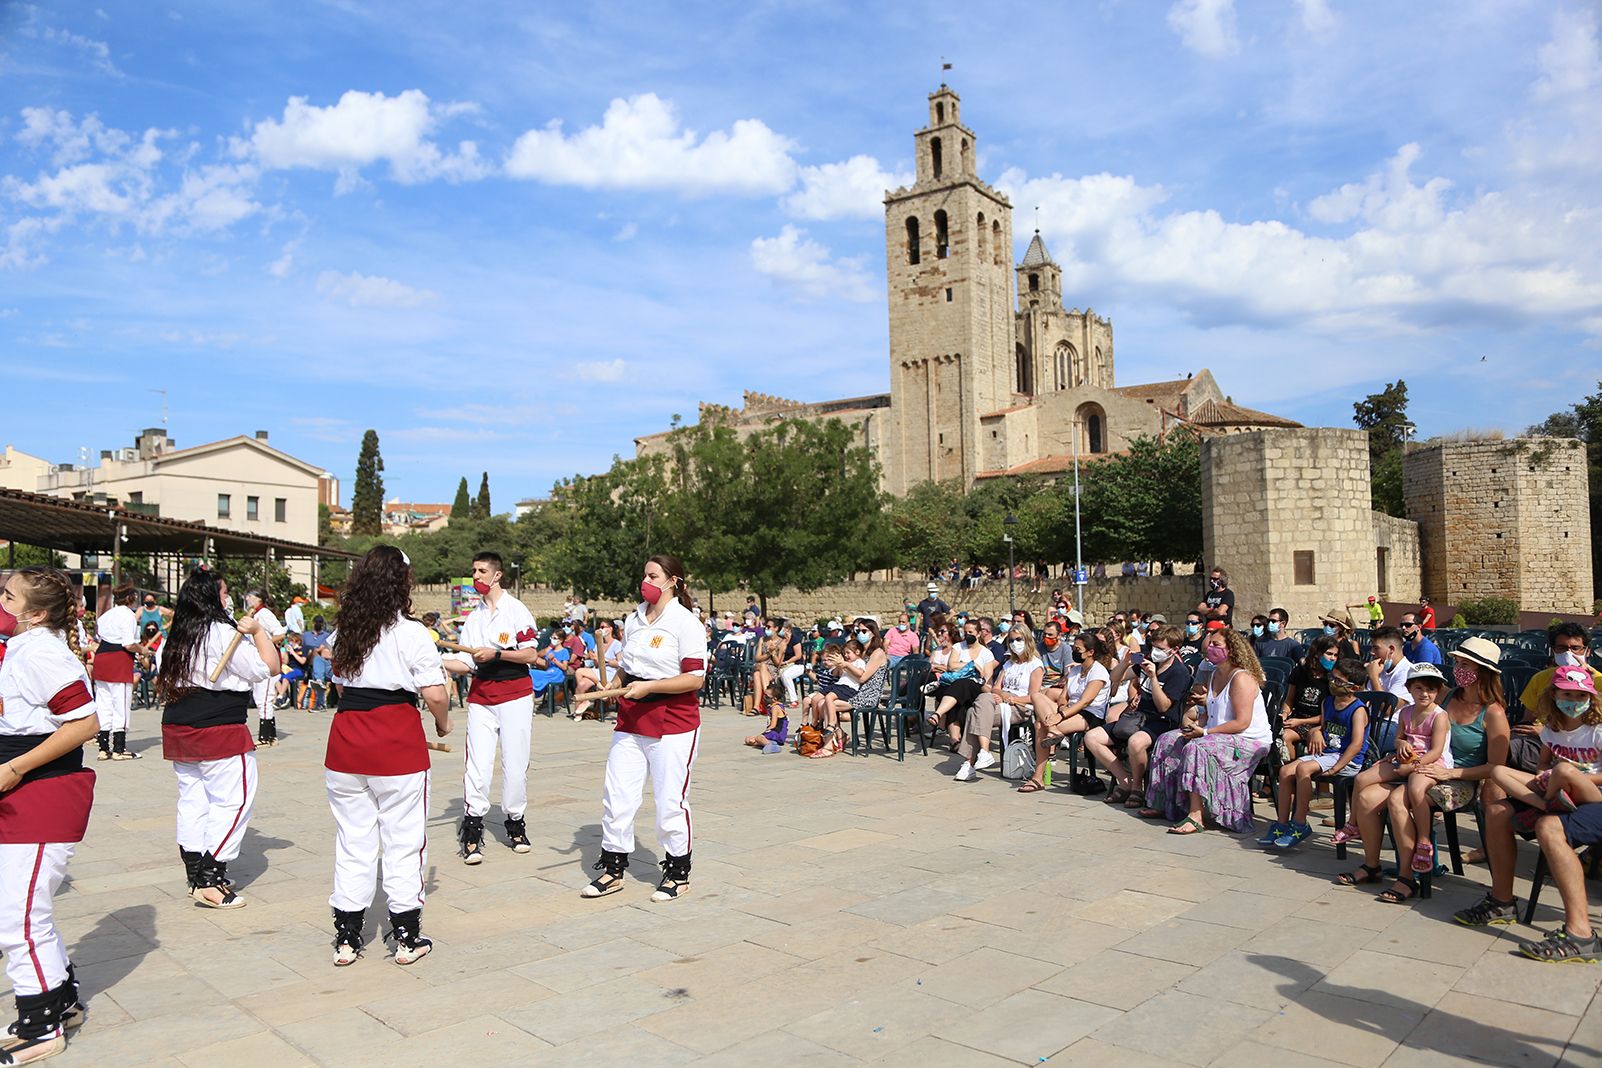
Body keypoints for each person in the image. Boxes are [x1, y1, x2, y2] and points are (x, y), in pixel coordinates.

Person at [324, 547, 452, 967]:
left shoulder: (347, 628)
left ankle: (346, 937)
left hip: (347, 741)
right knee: (403, 840)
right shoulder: (411, 632)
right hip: (395, 741)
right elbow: (434, 693)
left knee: (353, 840)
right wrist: (443, 723)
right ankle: (406, 937)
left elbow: (341, 686)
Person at [0, 567, 98, 1063]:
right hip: (25, 790)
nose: (0, 598)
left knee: (16, 918)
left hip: (41, 791)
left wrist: (14, 767)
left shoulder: (40, 652)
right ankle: (61, 1001)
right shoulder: (23, 648)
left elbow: (84, 722)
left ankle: (40, 1027)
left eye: (8, 594)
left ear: (34, 614)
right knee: (24, 909)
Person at [582, 555, 706, 902]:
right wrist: (611, 688)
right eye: (644, 574)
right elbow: (629, 669)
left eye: (653, 575)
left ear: (674, 582)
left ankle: (678, 871)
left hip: (673, 719)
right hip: (632, 715)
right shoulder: (634, 618)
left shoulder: (685, 622)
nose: (645, 580)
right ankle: (613, 867)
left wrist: (650, 687)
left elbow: (695, 678)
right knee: (617, 794)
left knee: (670, 800)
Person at [154, 567, 280, 909]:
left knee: (193, 801)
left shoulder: (177, 633)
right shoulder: (221, 632)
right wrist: (259, 632)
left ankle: (196, 874)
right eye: (224, 593)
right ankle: (210, 878)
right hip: (217, 725)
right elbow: (267, 668)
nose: (228, 598)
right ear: (212, 597)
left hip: (180, 724)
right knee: (234, 800)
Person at [441, 552, 543, 864]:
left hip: (515, 695)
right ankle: (472, 827)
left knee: (515, 763)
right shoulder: (474, 618)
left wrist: (497, 654)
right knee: (477, 764)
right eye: (473, 571)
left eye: (482, 571)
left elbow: (529, 655)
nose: (476, 577)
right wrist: (434, 662)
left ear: (497, 575)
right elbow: (465, 662)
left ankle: (515, 821)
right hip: (482, 697)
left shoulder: (516, 610)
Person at [1335, 663, 1452, 904]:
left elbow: (1436, 750)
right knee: (1365, 789)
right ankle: (1371, 862)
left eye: (1431, 689)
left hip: (1427, 764)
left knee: (1400, 798)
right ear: (1409, 689)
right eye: (1419, 688)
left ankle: (1408, 874)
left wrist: (1413, 763)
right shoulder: (1407, 712)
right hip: (1404, 760)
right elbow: (1400, 737)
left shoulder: (1439, 716)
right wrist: (1399, 747)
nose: (1425, 694)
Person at [1140, 627, 1271, 834]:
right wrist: (1197, 727)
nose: (1210, 647)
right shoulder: (1214, 675)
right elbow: (1211, 712)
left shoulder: (1241, 678)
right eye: (1210, 643)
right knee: (1167, 740)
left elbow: (1241, 722)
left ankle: (1196, 815)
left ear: (1232, 650)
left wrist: (1205, 733)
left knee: (1197, 747)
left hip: (1247, 740)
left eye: (1216, 645)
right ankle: (1165, 804)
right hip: (1217, 732)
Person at [1262, 658, 1369, 849]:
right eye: (1332, 678)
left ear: (1354, 688)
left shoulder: (1358, 710)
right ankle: (1282, 823)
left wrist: (1337, 768)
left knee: (1303, 769)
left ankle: (1300, 823)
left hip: (1346, 759)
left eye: (1339, 681)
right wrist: (1316, 731)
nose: (1332, 683)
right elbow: (1324, 726)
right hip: (1328, 754)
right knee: (1285, 772)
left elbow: (1356, 744)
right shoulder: (1328, 702)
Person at [1083, 625, 1193, 806]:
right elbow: (1115, 678)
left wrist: (1154, 678)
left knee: (1136, 742)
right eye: (1153, 647)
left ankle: (1137, 789)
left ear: (1174, 650)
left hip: (1163, 721)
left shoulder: (1178, 673)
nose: (1155, 652)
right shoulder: (1148, 661)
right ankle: (1125, 781)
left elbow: (1164, 706)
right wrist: (1126, 662)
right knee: (1092, 737)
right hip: (1139, 717)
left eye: (1161, 649)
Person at [960, 628, 1048, 786]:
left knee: (974, 712)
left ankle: (970, 762)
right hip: (1000, 702)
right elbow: (995, 687)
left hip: (1020, 706)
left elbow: (1034, 696)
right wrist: (1001, 695)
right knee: (982, 702)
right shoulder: (1009, 664)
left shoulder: (1036, 665)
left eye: (1019, 639)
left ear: (1027, 640)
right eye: (1012, 640)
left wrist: (1009, 698)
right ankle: (983, 753)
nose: (1015, 643)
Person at [91, 583, 147, 761]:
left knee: (103, 703)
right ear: (130, 598)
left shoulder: (105, 616)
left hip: (101, 658)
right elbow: (128, 644)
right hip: (118, 660)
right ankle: (119, 748)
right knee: (121, 704)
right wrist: (143, 650)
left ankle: (103, 747)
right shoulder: (128, 616)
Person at [924, 617, 995, 751]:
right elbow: (951, 666)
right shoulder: (958, 647)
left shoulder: (986, 654)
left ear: (979, 634)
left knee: (961, 684)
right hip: (955, 687)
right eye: (965, 632)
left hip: (975, 687)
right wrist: (972, 666)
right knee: (957, 693)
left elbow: (987, 678)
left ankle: (938, 715)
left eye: (971, 632)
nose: (967, 635)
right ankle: (954, 741)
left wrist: (965, 667)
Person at [1279, 636, 1338, 761]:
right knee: (1278, 737)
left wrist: (1298, 722)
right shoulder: (1300, 672)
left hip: (1320, 723)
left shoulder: (1333, 678)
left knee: (1286, 736)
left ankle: (1294, 769)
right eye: (1329, 654)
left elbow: (1330, 714)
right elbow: (1289, 700)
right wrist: (1284, 713)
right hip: (1297, 718)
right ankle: (1288, 770)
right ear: (1317, 653)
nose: (1332, 658)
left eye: (1335, 655)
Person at [241, 590, 286, 749]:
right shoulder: (256, 614)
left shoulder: (264, 613)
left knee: (264, 697)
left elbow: (280, 634)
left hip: (267, 661)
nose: (247, 598)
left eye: (250, 596)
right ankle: (271, 736)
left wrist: (264, 643)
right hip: (260, 660)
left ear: (258, 598)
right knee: (261, 697)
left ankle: (265, 737)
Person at [570, 619, 623, 720]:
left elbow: (619, 663)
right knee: (581, 684)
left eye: (603, 627)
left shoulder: (616, 644)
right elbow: (596, 663)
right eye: (600, 627)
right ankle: (578, 711)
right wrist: (594, 659)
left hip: (610, 672)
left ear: (610, 629)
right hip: (597, 672)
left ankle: (593, 691)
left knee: (579, 671)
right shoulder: (598, 643)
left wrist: (605, 660)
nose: (600, 629)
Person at [1365, 627, 1413, 707]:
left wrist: (1374, 677)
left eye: (1376, 648)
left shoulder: (1408, 672)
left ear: (1391, 649)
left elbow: (1387, 710)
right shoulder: (1378, 667)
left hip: (1390, 719)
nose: (1372, 652)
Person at [915, 583, 949, 650]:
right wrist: (916, 629)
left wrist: (944, 621)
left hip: (937, 631)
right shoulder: (923, 603)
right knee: (924, 649)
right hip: (926, 631)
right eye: (932, 592)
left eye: (935, 592)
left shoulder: (940, 603)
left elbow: (952, 612)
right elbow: (918, 617)